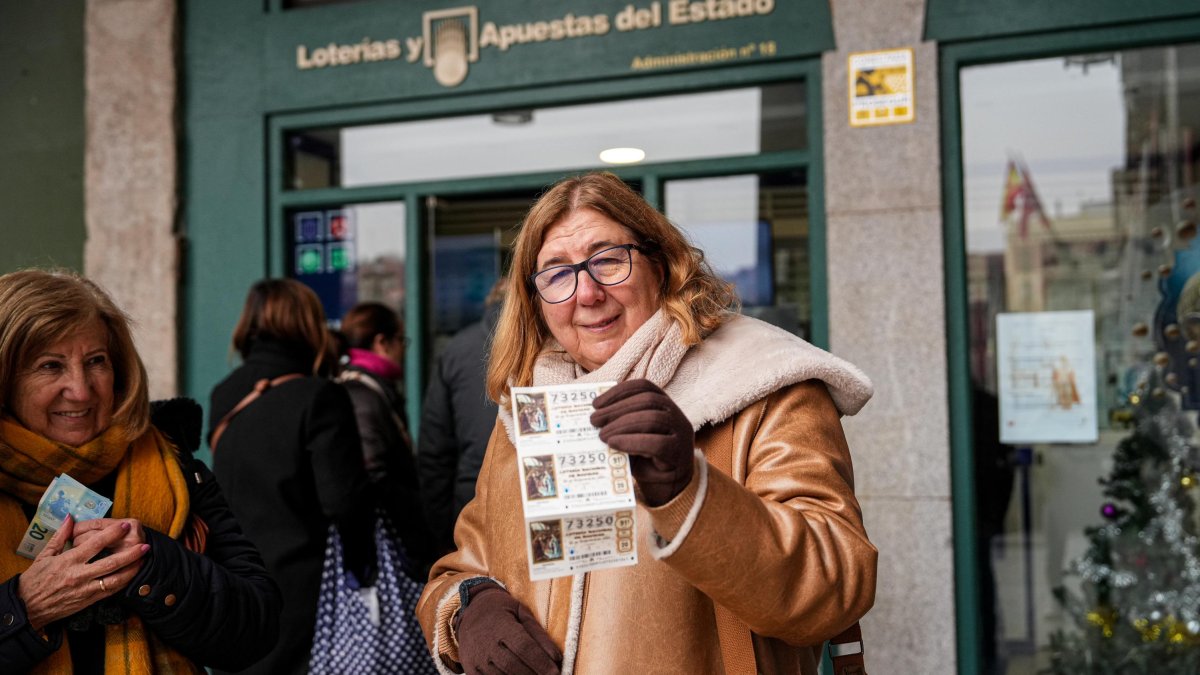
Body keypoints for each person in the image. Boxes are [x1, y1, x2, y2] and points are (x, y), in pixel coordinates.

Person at [416, 172, 878, 674]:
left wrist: (690, 491)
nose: (586, 294)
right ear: (535, 300)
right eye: (556, 273)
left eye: (608, 260)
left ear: (661, 264)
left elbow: (836, 587)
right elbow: (462, 566)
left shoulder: (764, 383)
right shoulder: (529, 411)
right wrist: (469, 607)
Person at [0, 269, 281, 673]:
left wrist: (152, 564)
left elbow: (256, 630)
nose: (80, 390)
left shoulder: (175, 468)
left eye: (96, 361)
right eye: (50, 366)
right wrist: (27, 607)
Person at [208, 279, 375, 675]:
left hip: (232, 586)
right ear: (308, 325)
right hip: (302, 594)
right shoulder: (319, 396)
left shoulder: (224, 394)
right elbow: (343, 501)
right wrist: (363, 571)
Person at [338, 301, 434, 575]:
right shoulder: (362, 393)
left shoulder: (366, 388)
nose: (403, 350)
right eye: (400, 340)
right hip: (388, 544)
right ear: (381, 342)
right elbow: (375, 473)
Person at [418, 280, 504, 554]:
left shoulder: (455, 350)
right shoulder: (555, 339)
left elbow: (435, 452)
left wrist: (443, 534)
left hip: (471, 503)